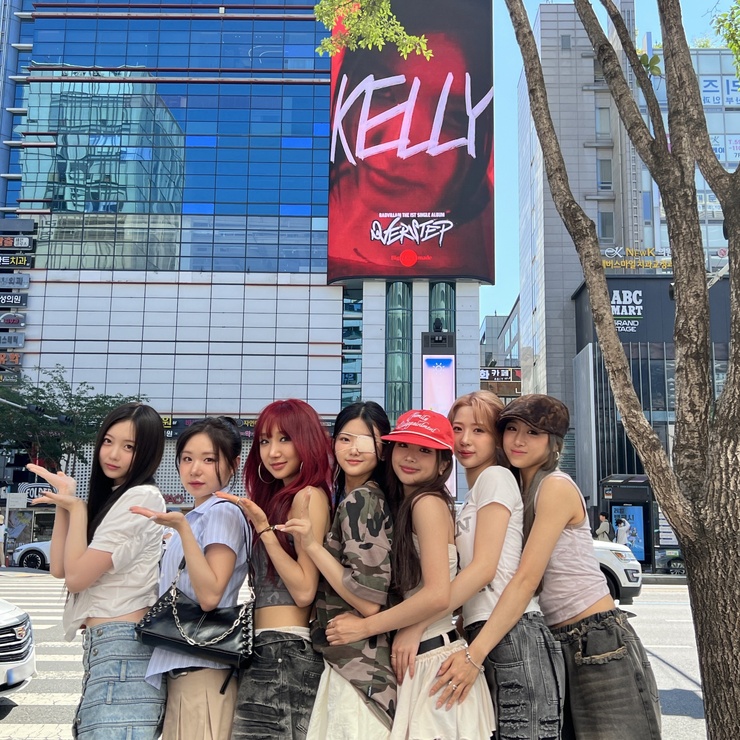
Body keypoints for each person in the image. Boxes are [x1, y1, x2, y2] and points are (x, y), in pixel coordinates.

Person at [431, 394, 662, 740]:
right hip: (551, 636)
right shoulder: (514, 487)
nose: (519, 440)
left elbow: (525, 579)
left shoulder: (554, 486)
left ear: (553, 443)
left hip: (596, 636)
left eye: (533, 433)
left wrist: (473, 655)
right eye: (512, 429)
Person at [393, 391, 564, 738]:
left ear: (496, 438)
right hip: (487, 633)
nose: (465, 440)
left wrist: (415, 625)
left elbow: (485, 568)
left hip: (513, 634)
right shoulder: (473, 495)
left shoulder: (495, 478)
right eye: (457, 428)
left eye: (479, 430)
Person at [325, 409, 494, 740]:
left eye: (425, 450)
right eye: (403, 446)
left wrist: (365, 627)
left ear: (443, 464)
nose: (411, 457)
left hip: (434, 663)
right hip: (421, 659)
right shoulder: (406, 504)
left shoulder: (426, 503)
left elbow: (437, 594)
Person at [28, 402, 167, 738]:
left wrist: (77, 509)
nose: (113, 453)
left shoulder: (142, 498)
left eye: (129, 446)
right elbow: (60, 568)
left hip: (123, 650)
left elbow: (77, 578)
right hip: (109, 648)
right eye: (108, 441)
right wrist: (66, 502)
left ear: (148, 453)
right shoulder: (117, 497)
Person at [280, 401, 396, 738]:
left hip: (359, 672)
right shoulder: (351, 498)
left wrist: (313, 547)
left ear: (383, 449)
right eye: (345, 439)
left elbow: (368, 601)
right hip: (353, 666)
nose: (354, 449)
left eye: (366, 440)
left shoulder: (362, 500)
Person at [131, 416, 250, 740]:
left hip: (202, 674)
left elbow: (210, 595)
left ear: (233, 464)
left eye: (209, 460)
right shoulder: (198, 515)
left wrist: (181, 528)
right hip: (186, 672)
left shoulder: (221, 512)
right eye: (187, 459)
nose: (195, 469)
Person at [226, 399, 332, 740]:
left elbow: (304, 590)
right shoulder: (280, 499)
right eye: (264, 441)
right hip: (268, 648)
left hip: (285, 650)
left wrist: (264, 530)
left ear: (307, 441)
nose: (273, 451)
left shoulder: (307, 497)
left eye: (285, 438)